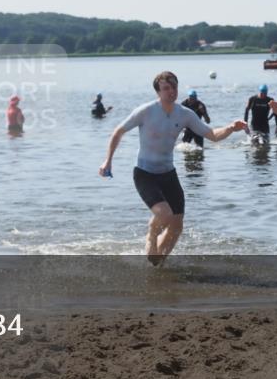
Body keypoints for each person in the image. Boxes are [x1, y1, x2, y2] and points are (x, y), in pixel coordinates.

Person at [97, 71, 246, 266]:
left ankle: (158, 265)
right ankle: (151, 235)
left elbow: (212, 135)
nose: (171, 92)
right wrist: (107, 161)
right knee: (164, 214)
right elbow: (118, 131)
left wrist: (230, 128)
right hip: (145, 174)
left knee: (177, 225)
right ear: (158, 92)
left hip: (168, 174)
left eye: (174, 87)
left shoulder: (184, 114)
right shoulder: (146, 111)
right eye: (166, 88)